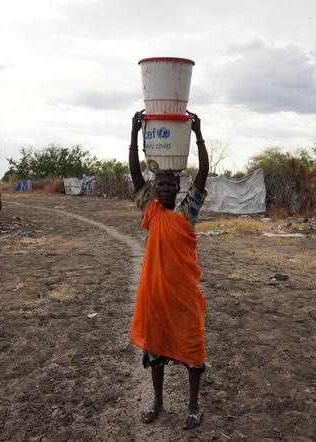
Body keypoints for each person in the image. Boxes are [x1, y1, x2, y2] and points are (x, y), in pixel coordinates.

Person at [128, 109, 209, 430]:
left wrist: (198, 134)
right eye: (159, 184)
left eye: (169, 185)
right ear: (154, 187)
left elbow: (203, 173)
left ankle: (193, 406)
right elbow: (135, 173)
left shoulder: (186, 213)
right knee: (155, 348)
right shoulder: (151, 211)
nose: (163, 189)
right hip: (156, 295)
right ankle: (158, 402)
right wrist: (134, 133)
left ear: (177, 189)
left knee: (192, 348)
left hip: (183, 295)